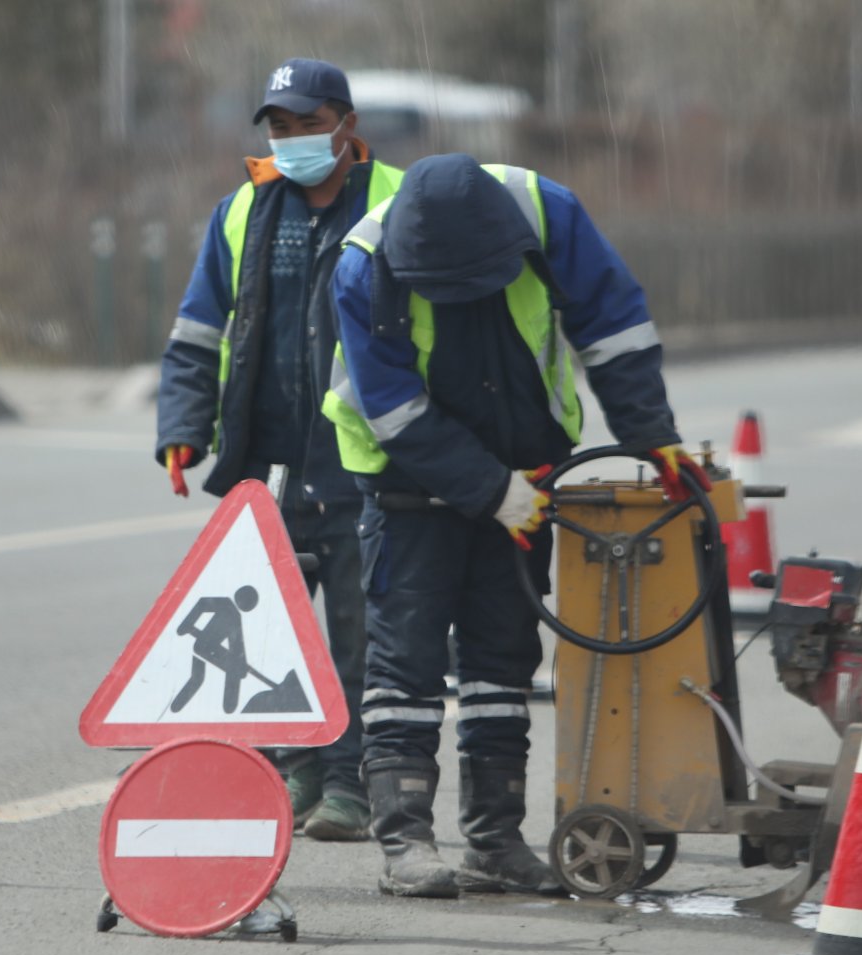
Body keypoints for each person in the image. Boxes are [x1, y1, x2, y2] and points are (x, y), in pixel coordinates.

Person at [323, 154, 702, 898]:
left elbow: (614, 328)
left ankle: (494, 841)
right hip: (409, 487)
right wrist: (491, 491)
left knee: (503, 658)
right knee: (406, 663)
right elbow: (392, 406)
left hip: (527, 474)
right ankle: (405, 840)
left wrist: (649, 432)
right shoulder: (365, 266)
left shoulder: (548, 215)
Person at [156, 58, 403, 843]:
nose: (292, 141)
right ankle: (294, 769)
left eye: (308, 125)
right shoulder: (244, 211)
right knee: (268, 636)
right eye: (279, 128)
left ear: (347, 126)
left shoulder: (399, 201)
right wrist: (183, 426)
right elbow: (199, 328)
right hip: (268, 464)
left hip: (364, 464)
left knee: (359, 639)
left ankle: (349, 784)